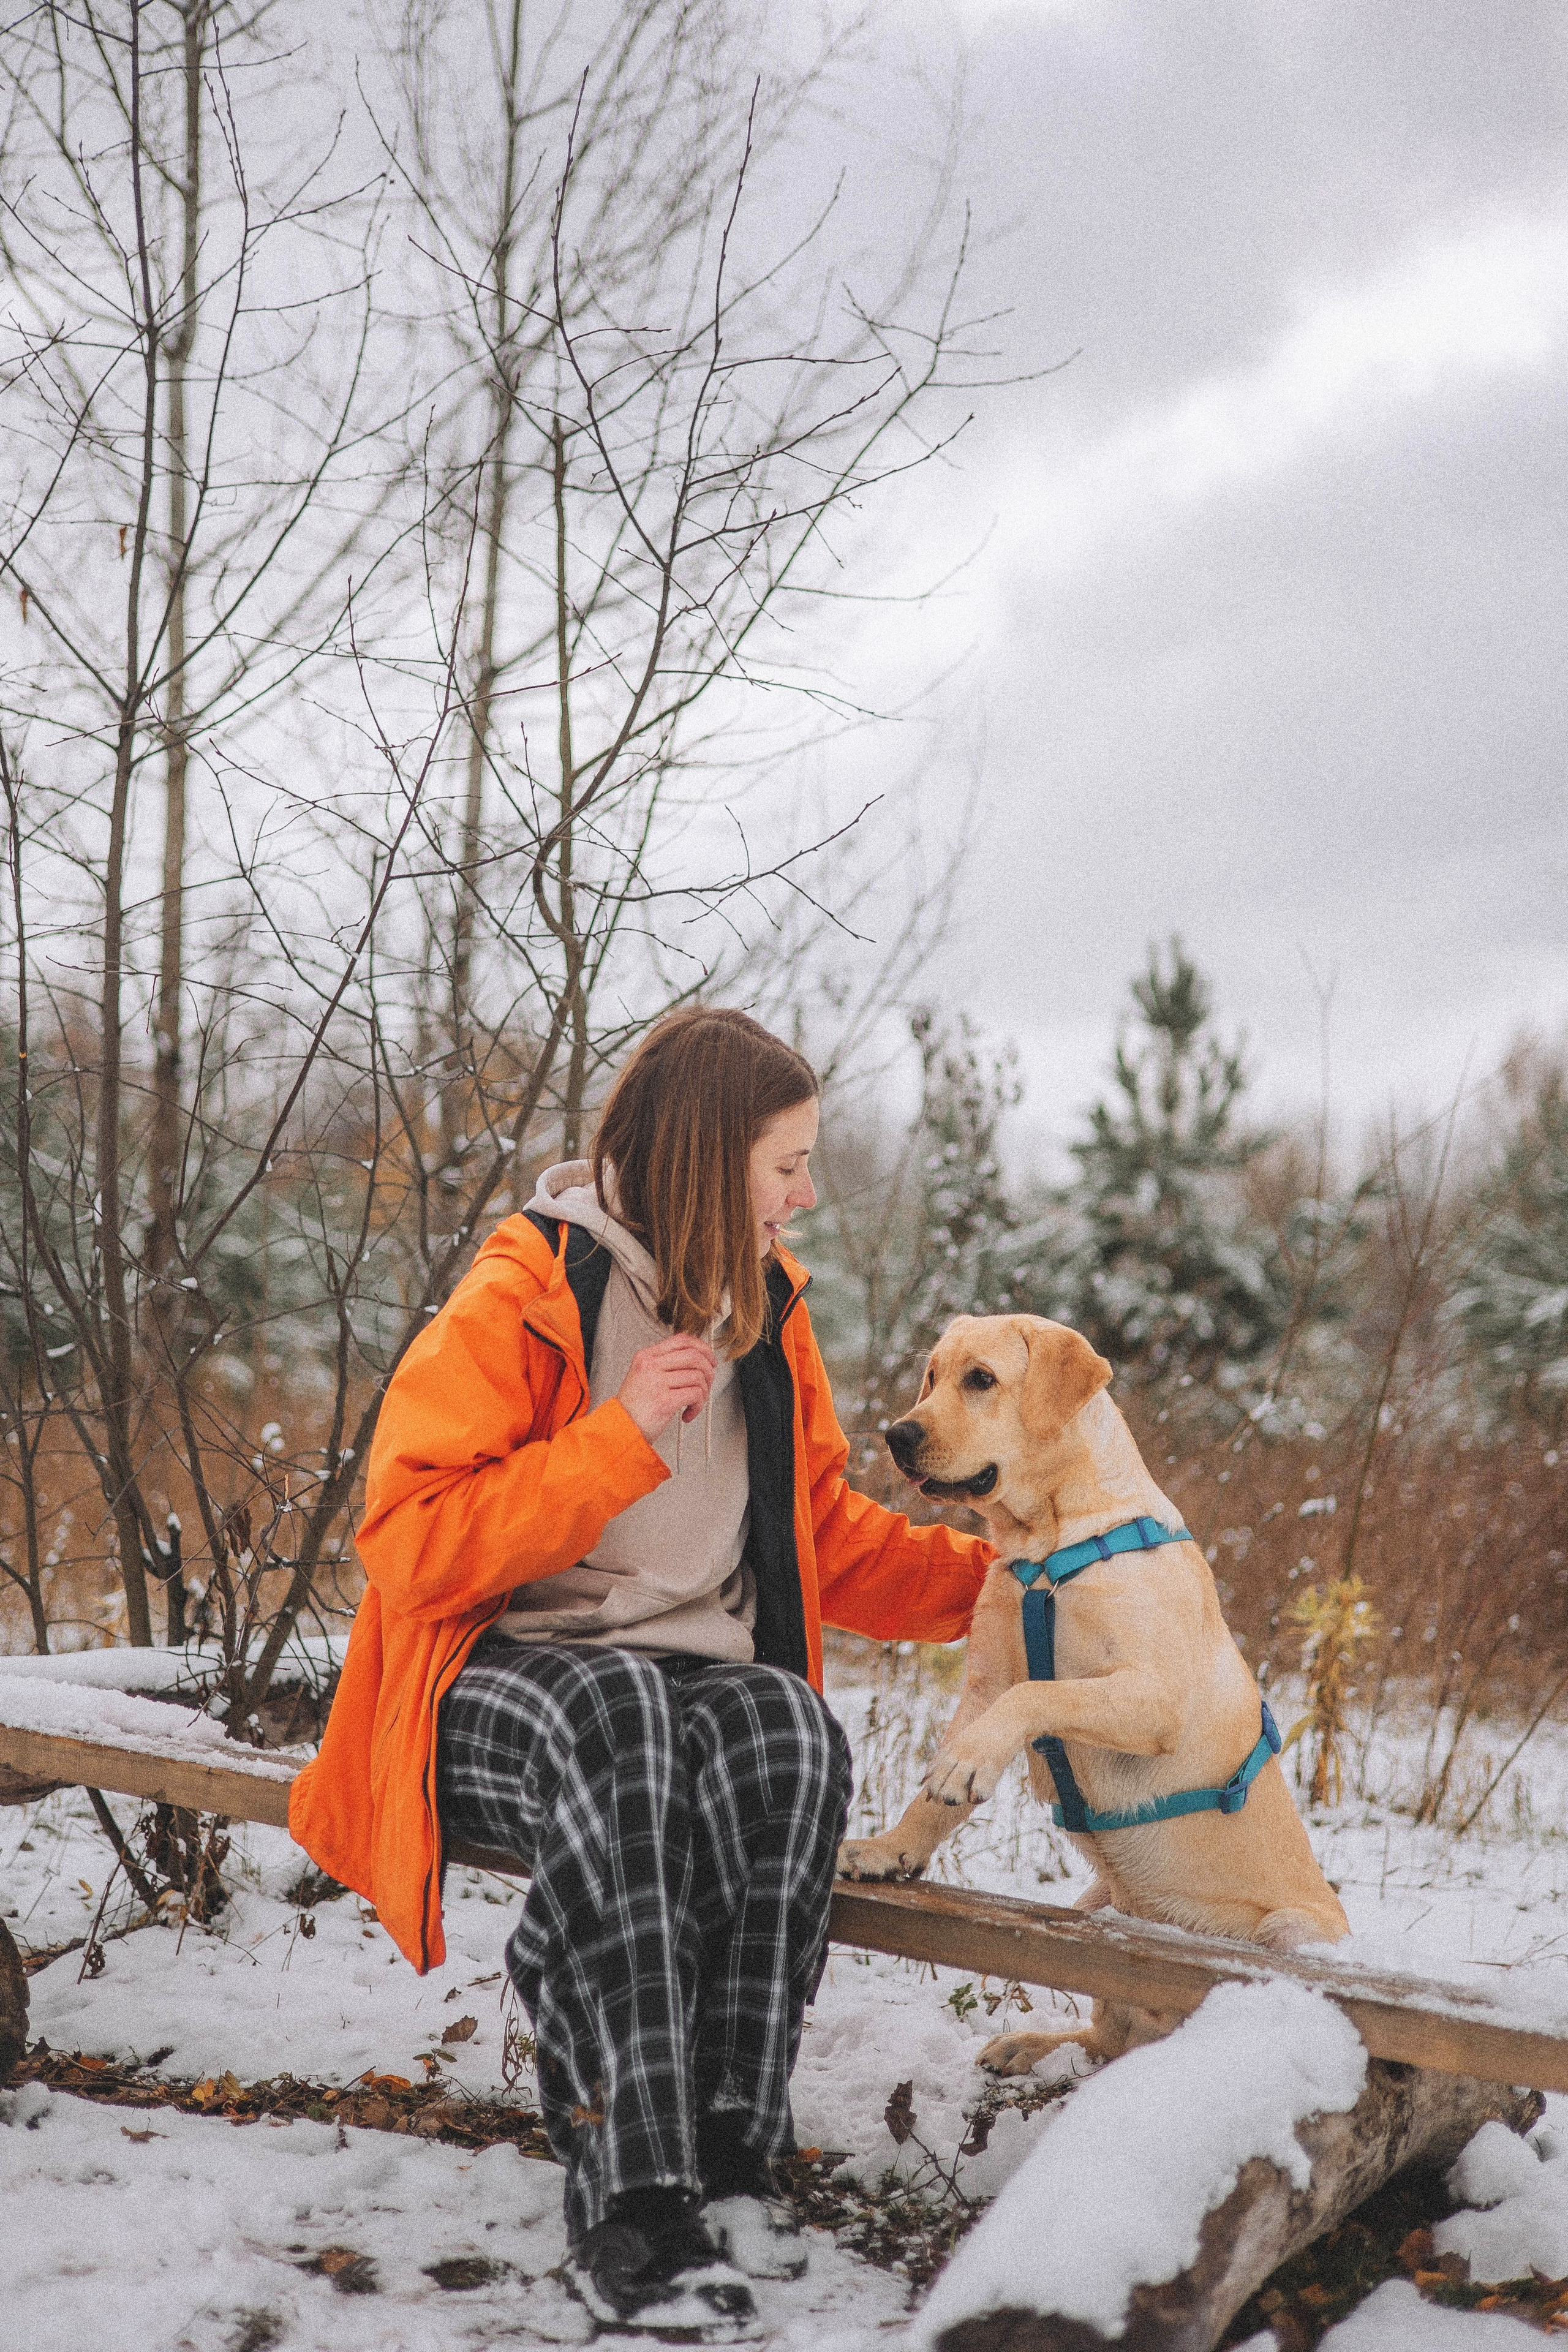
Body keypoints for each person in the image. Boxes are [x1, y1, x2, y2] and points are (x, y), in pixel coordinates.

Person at [289, 1009, 992, 2332]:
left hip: (684, 1691)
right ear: (708, 1156)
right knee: (619, 1716)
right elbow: (407, 1545)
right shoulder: (531, 1288)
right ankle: (631, 2194)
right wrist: (614, 1438)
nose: (804, 1191)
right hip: (493, 1688)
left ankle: (727, 2145)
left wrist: (1001, 1587)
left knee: (786, 1730)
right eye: (786, 1162)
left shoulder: (767, 1315)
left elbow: (819, 1528)